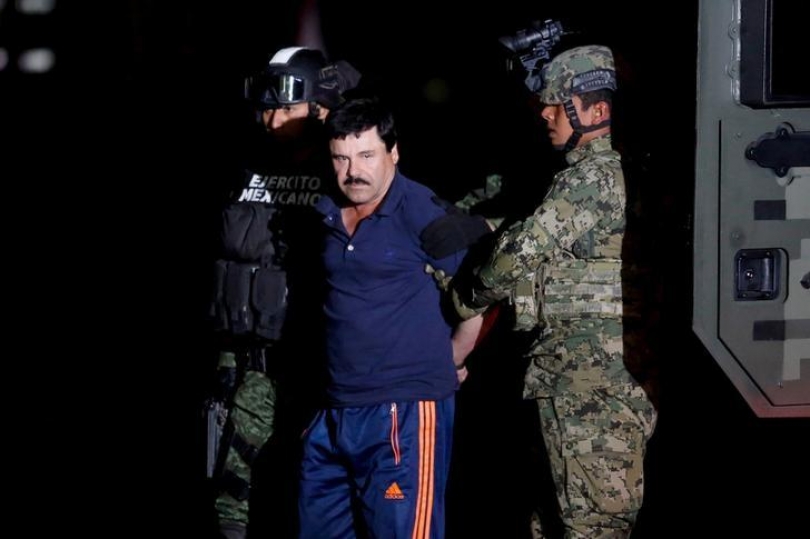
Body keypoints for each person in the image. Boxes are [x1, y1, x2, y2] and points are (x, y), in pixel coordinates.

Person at [448, 44, 657, 538]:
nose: (545, 113)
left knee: (592, 527)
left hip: (590, 386)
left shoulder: (592, 178)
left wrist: (464, 297)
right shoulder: (576, 177)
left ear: (596, 112)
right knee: (554, 521)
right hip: (572, 381)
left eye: (559, 104)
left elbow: (519, 253)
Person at [297, 96, 483, 539]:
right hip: (334, 410)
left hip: (403, 409)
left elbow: (483, 292)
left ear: (393, 152)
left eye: (366, 155)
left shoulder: (422, 211)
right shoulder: (325, 209)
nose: (353, 171)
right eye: (341, 158)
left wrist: (453, 358)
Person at [207, 46, 360, 539]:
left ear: (318, 108)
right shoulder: (240, 163)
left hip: (309, 364)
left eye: (286, 109)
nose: (272, 121)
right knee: (228, 496)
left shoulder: (344, 169)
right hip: (240, 358)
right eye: (266, 109)